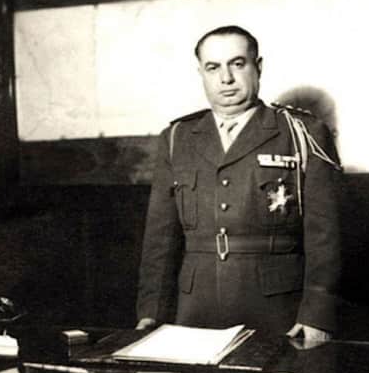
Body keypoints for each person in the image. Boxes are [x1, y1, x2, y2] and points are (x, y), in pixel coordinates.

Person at [136, 25, 341, 343]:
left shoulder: (302, 132)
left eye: (237, 63)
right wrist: (152, 311)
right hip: (194, 308)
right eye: (213, 67)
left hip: (276, 308)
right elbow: (160, 238)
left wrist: (317, 315)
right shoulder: (177, 138)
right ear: (201, 73)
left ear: (258, 67)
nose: (226, 78)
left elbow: (325, 235)